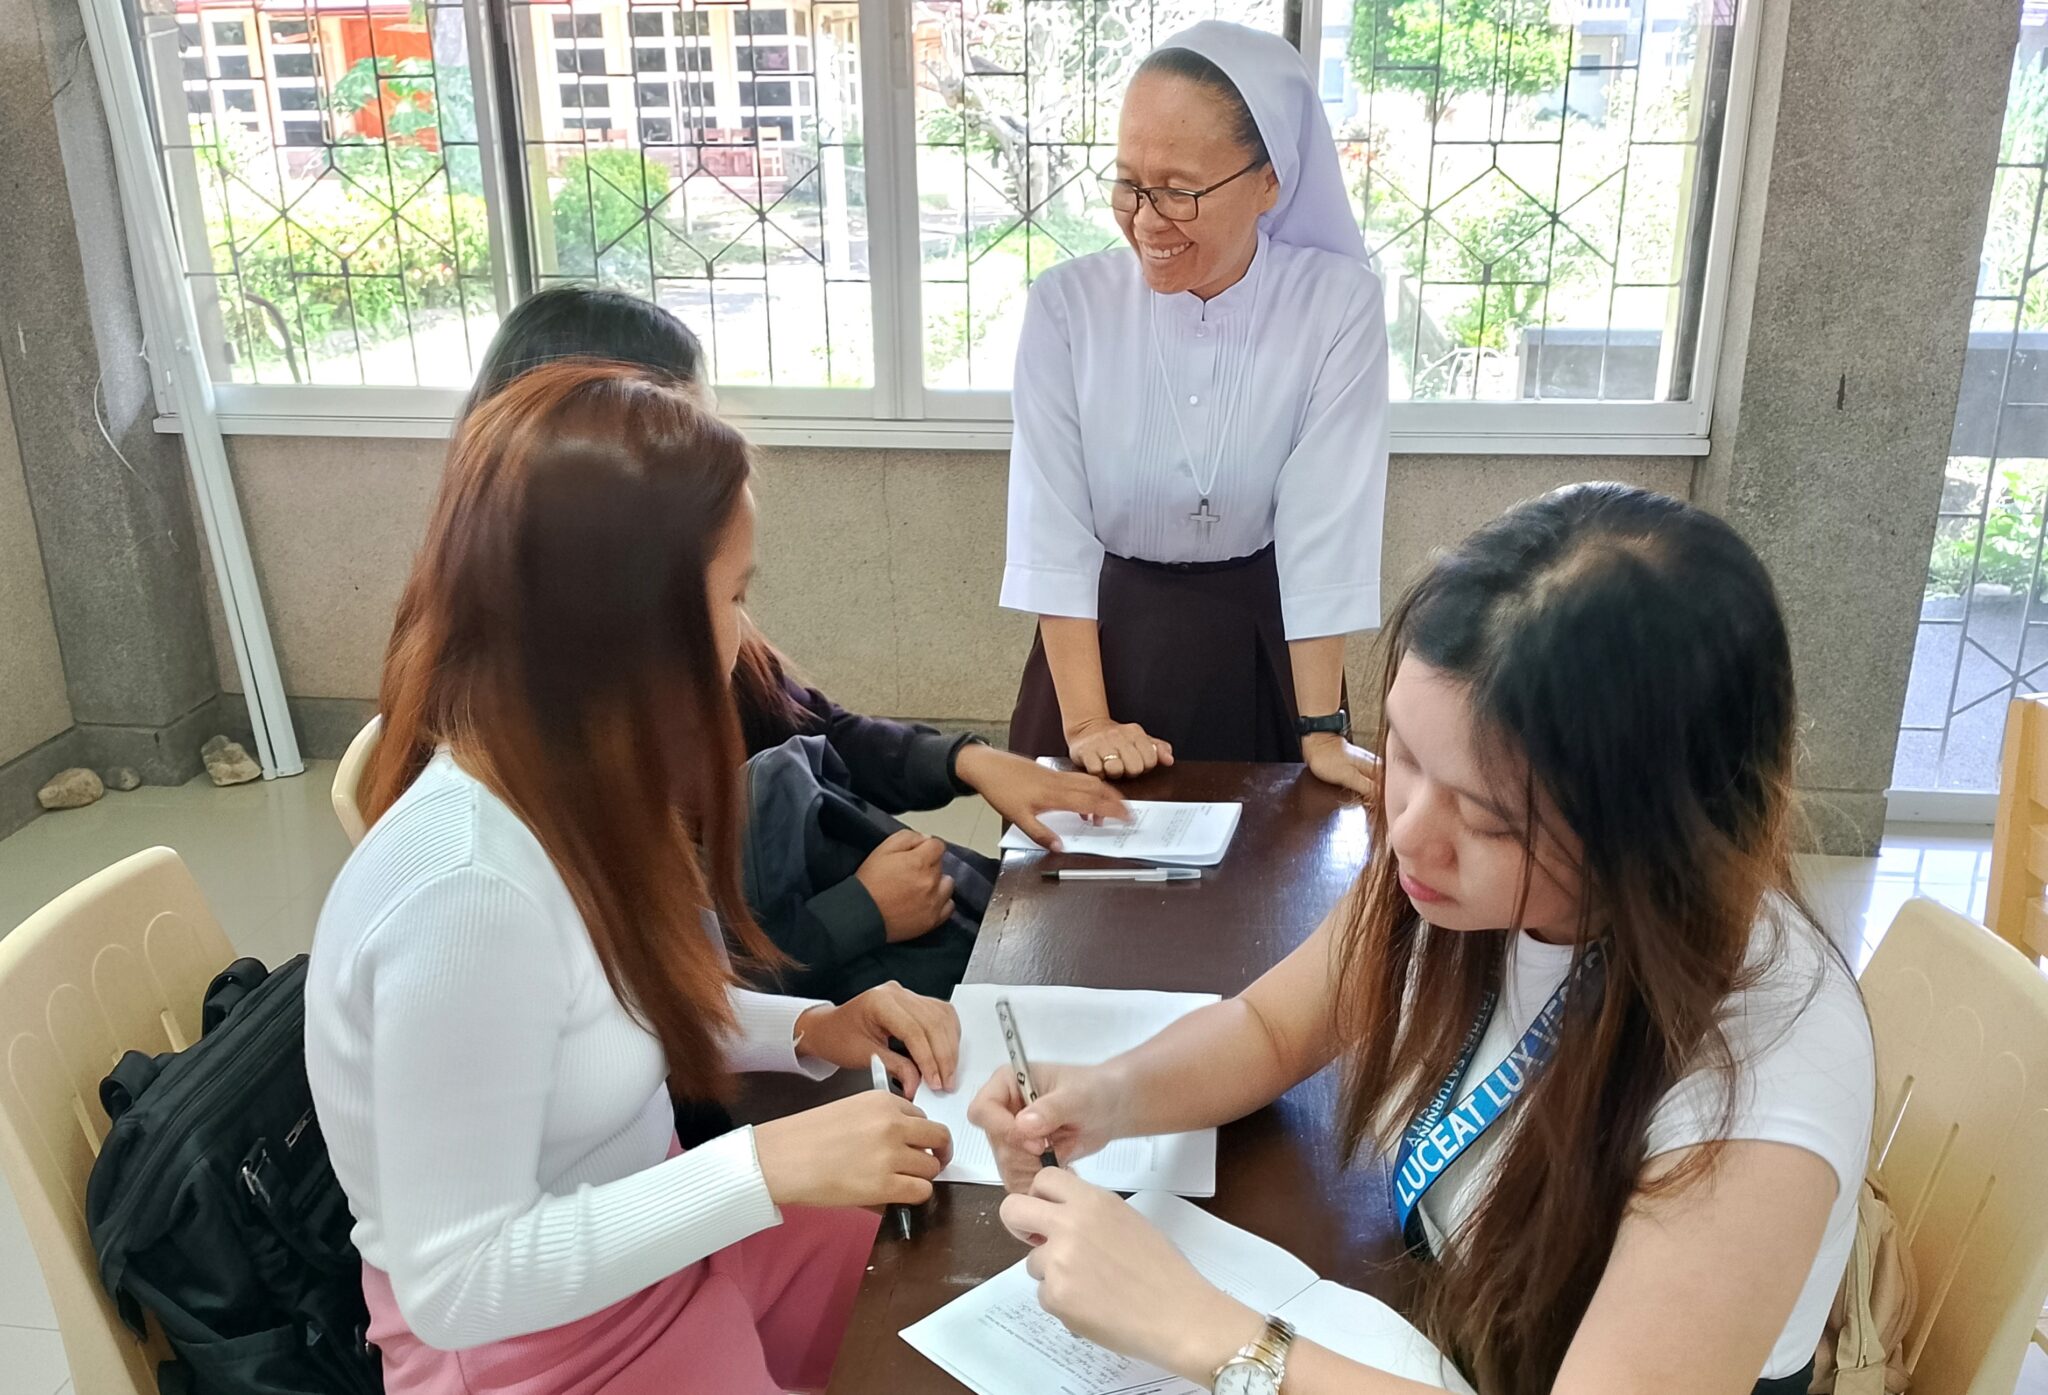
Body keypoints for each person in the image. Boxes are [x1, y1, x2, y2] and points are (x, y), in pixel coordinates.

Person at [971, 485, 1876, 1395]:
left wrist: (1215, 1335)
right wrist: (1106, 1097)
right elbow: (1272, 1028)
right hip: (1440, 1327)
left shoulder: (1760, 1075)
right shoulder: (1449, 873)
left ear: (1661, 828)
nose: (1408, 831)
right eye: (1402, 750)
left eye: (1487, 818)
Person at [307, 361, 962, 1394]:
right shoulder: (466, 896)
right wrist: (766, 1165)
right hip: (540, 1342)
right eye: (732, 595)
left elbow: (603, 1012)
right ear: (626, 623)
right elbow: (458, 1280)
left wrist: (806, 1031)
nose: (745, 636)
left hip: (650, 1253)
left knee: (935, 1262)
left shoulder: (562, 787)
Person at [465, 287, 1126, 1005]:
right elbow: (657, 1006)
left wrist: (969, 759)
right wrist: (857, 915)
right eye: (686, 432)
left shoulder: (648, 642)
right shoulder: (513, 787)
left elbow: (811, 721)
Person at [1002, 22, 1388, 794]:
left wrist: (1321, 729)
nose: (1147, 220)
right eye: (1128, 184)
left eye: (1179, 190)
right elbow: (1053, 524)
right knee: (1079, 902)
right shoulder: (1068, 306)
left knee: (1276, 883)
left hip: (1261, 644)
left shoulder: (1336, 304)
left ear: (1270, 180)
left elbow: (1326, 520)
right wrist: (1086, 724)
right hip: (1101, 652)